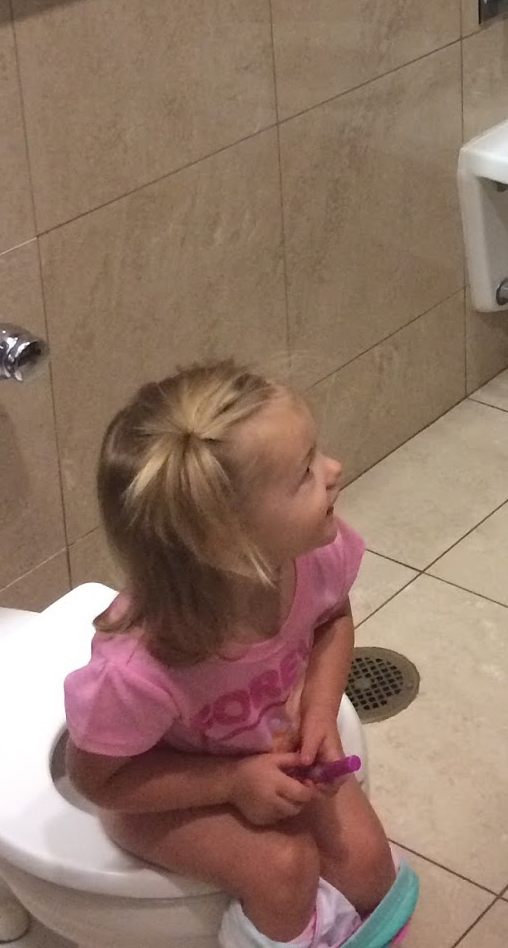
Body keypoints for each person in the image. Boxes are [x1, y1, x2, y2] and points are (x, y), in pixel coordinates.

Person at [62, 362, 416, 948]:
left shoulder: (312, 556)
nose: (334, 470)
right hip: (162, 794)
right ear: (227, 541)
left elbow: (332, 618)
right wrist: (230, 782)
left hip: (264, 751)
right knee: (284, 868)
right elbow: (100, 780)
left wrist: (320, 712)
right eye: (305, 473)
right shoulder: (139, 672)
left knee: (369, 868)